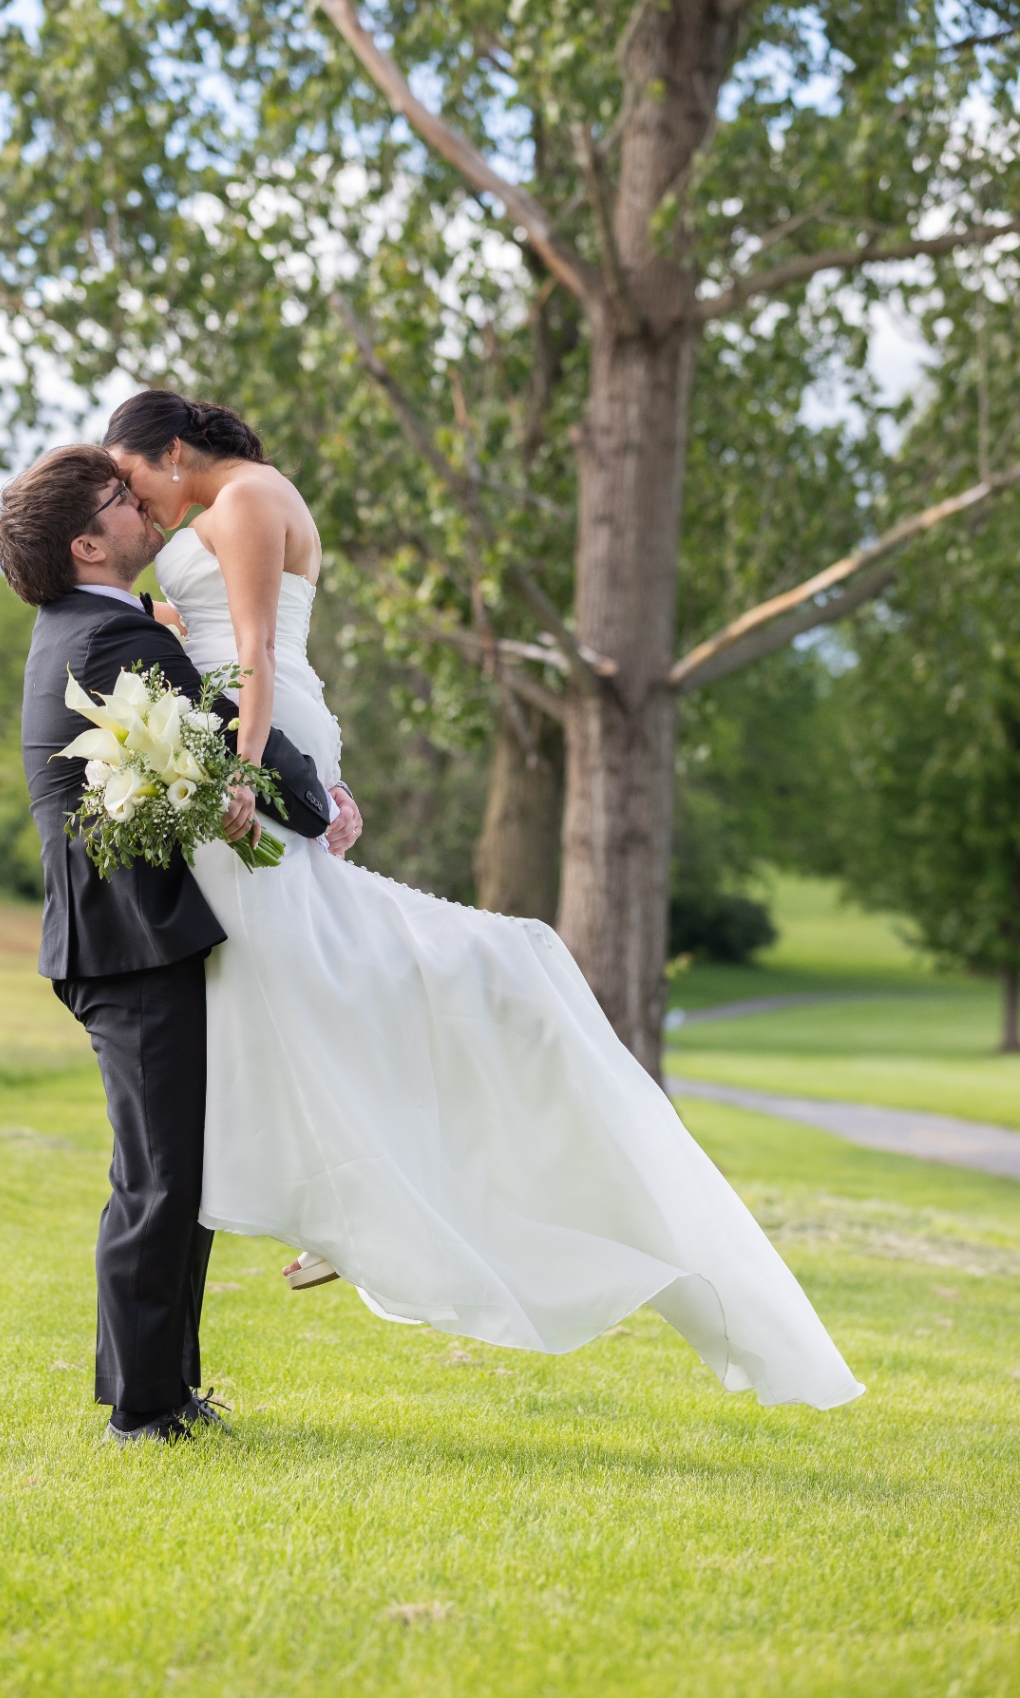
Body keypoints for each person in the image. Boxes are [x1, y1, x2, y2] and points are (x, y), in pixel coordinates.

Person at [104, 390, 864, 1413]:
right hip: (261, 737)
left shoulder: (238, 504)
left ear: (175, 450)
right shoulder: (238, 502)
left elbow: (256, 652)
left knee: (295, 961)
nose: (136, 505)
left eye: (134, 477)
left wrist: (248, 773)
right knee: (278, 970)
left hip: (249, 737)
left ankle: (371, 1175)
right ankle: (350, 1189)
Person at [0, 444, 333, 1444]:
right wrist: (322, 804)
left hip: (130, 939)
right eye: (120, 501)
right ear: (89, 543)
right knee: (158, 1178)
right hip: (126, 943)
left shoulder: (98, 626)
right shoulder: (106, 644)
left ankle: (168, 1390)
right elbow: (225, 723)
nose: (146, 508)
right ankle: (142, 1413)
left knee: (179, 1171)